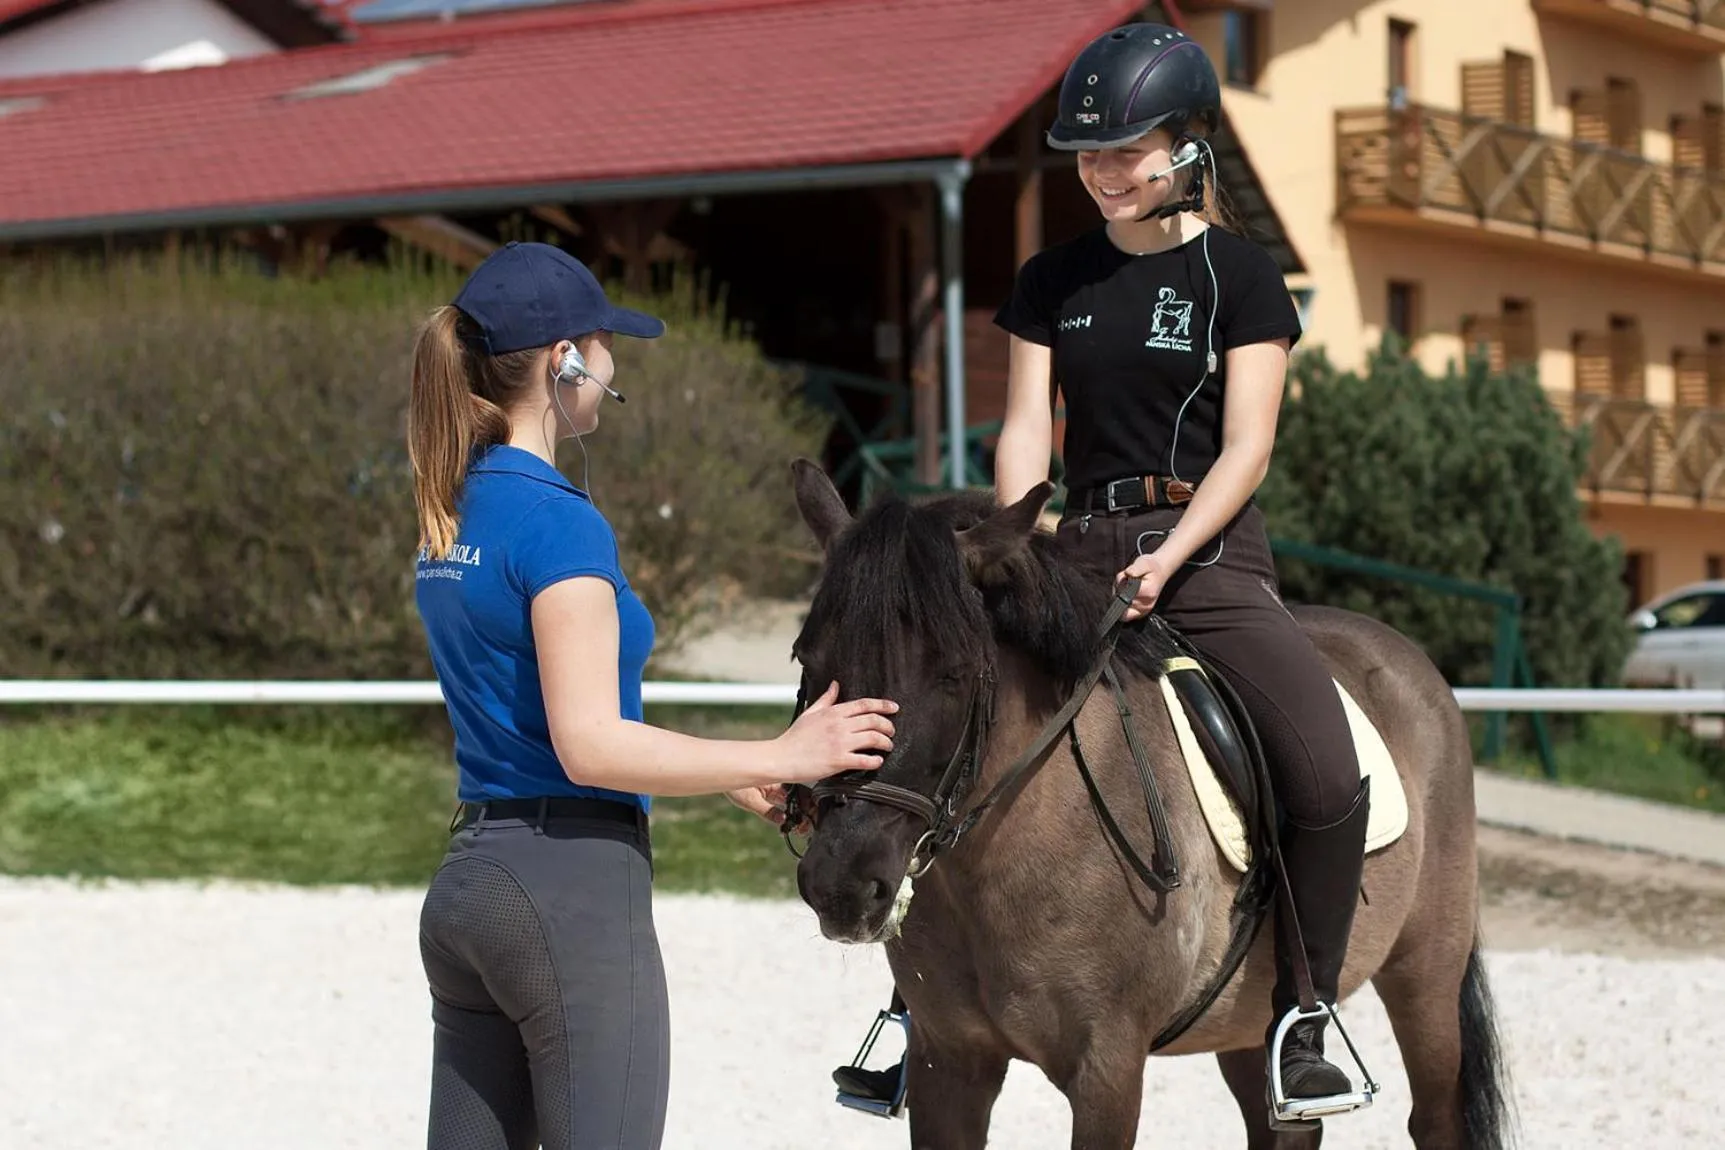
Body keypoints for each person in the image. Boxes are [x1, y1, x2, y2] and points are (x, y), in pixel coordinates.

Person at [831, 23, 1371, 1128]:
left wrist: (1173, 555)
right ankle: (916, 1004)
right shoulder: (1051, 279)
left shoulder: (1242, 275)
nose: (1104, 171)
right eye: (1088, 153)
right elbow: (1028, 428)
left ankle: (1304, 1016)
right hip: (1070, 549)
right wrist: (1011, 537)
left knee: (1322, 766)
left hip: (1209, 551)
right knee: (949, 724)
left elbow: (1249, 446)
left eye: (1127, 150)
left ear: (1188, 149)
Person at [407, 240, 899, 1150]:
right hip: (570, 893)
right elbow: (590, 746)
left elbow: (550, 709)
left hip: (471, 882)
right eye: (603, 346)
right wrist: (785, 754)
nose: (612, 365)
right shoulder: (560, 523)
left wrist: (719, 773)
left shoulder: (454, 508)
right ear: (564, 362)